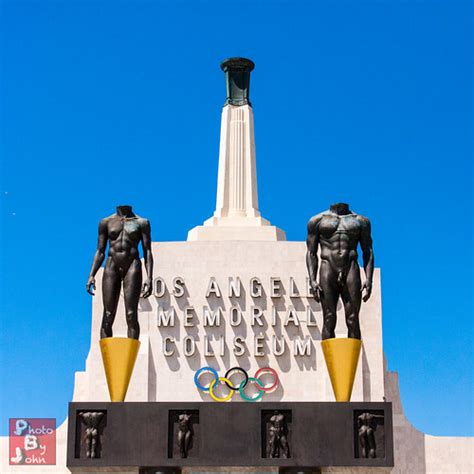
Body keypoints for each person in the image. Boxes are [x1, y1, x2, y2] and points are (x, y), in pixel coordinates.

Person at [306, 203, 374, 340]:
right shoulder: (317, 220)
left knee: (353, 319)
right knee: (329, 318)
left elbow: (368, 251)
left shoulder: (361, 221)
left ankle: (351, 362)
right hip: (328, 268)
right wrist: (312, 280)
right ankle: (330, 362)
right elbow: (311, 253)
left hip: (350, 268)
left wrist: (369, 279)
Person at [86, 205, 153, 339]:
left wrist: (149, 277)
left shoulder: (142, 222)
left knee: (131, 314)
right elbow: (100, 251)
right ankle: (106, 358)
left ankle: (131, 358)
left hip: (132, 265)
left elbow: (147, 251)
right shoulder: (106, 222)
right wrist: (91, 275)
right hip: (112, 265)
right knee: (108, 315)